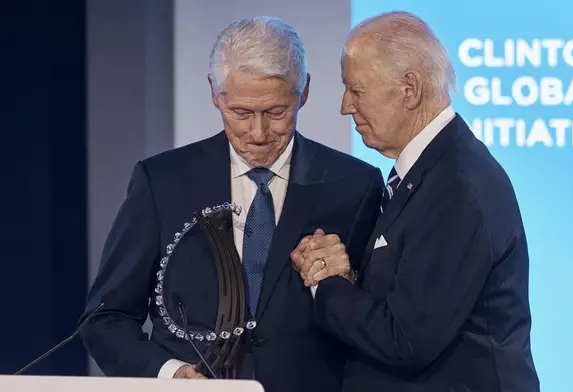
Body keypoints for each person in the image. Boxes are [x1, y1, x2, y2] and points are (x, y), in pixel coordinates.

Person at [79, 16, 383, 392]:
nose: (258, 133)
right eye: (240, 113)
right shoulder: (162, 182)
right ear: (214, 93)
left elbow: (380, 322)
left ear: (303, 92)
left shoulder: (354, 185)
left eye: (276, 112)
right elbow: (106, 318)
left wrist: (348, 281)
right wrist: (170, 374)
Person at [291, 11, 541, 392]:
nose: (345, 106)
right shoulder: (432, 173)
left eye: (356, 89)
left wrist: (325, 282)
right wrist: (350, 278)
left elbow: (406, 338)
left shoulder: (456, 186)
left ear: (410, 89)